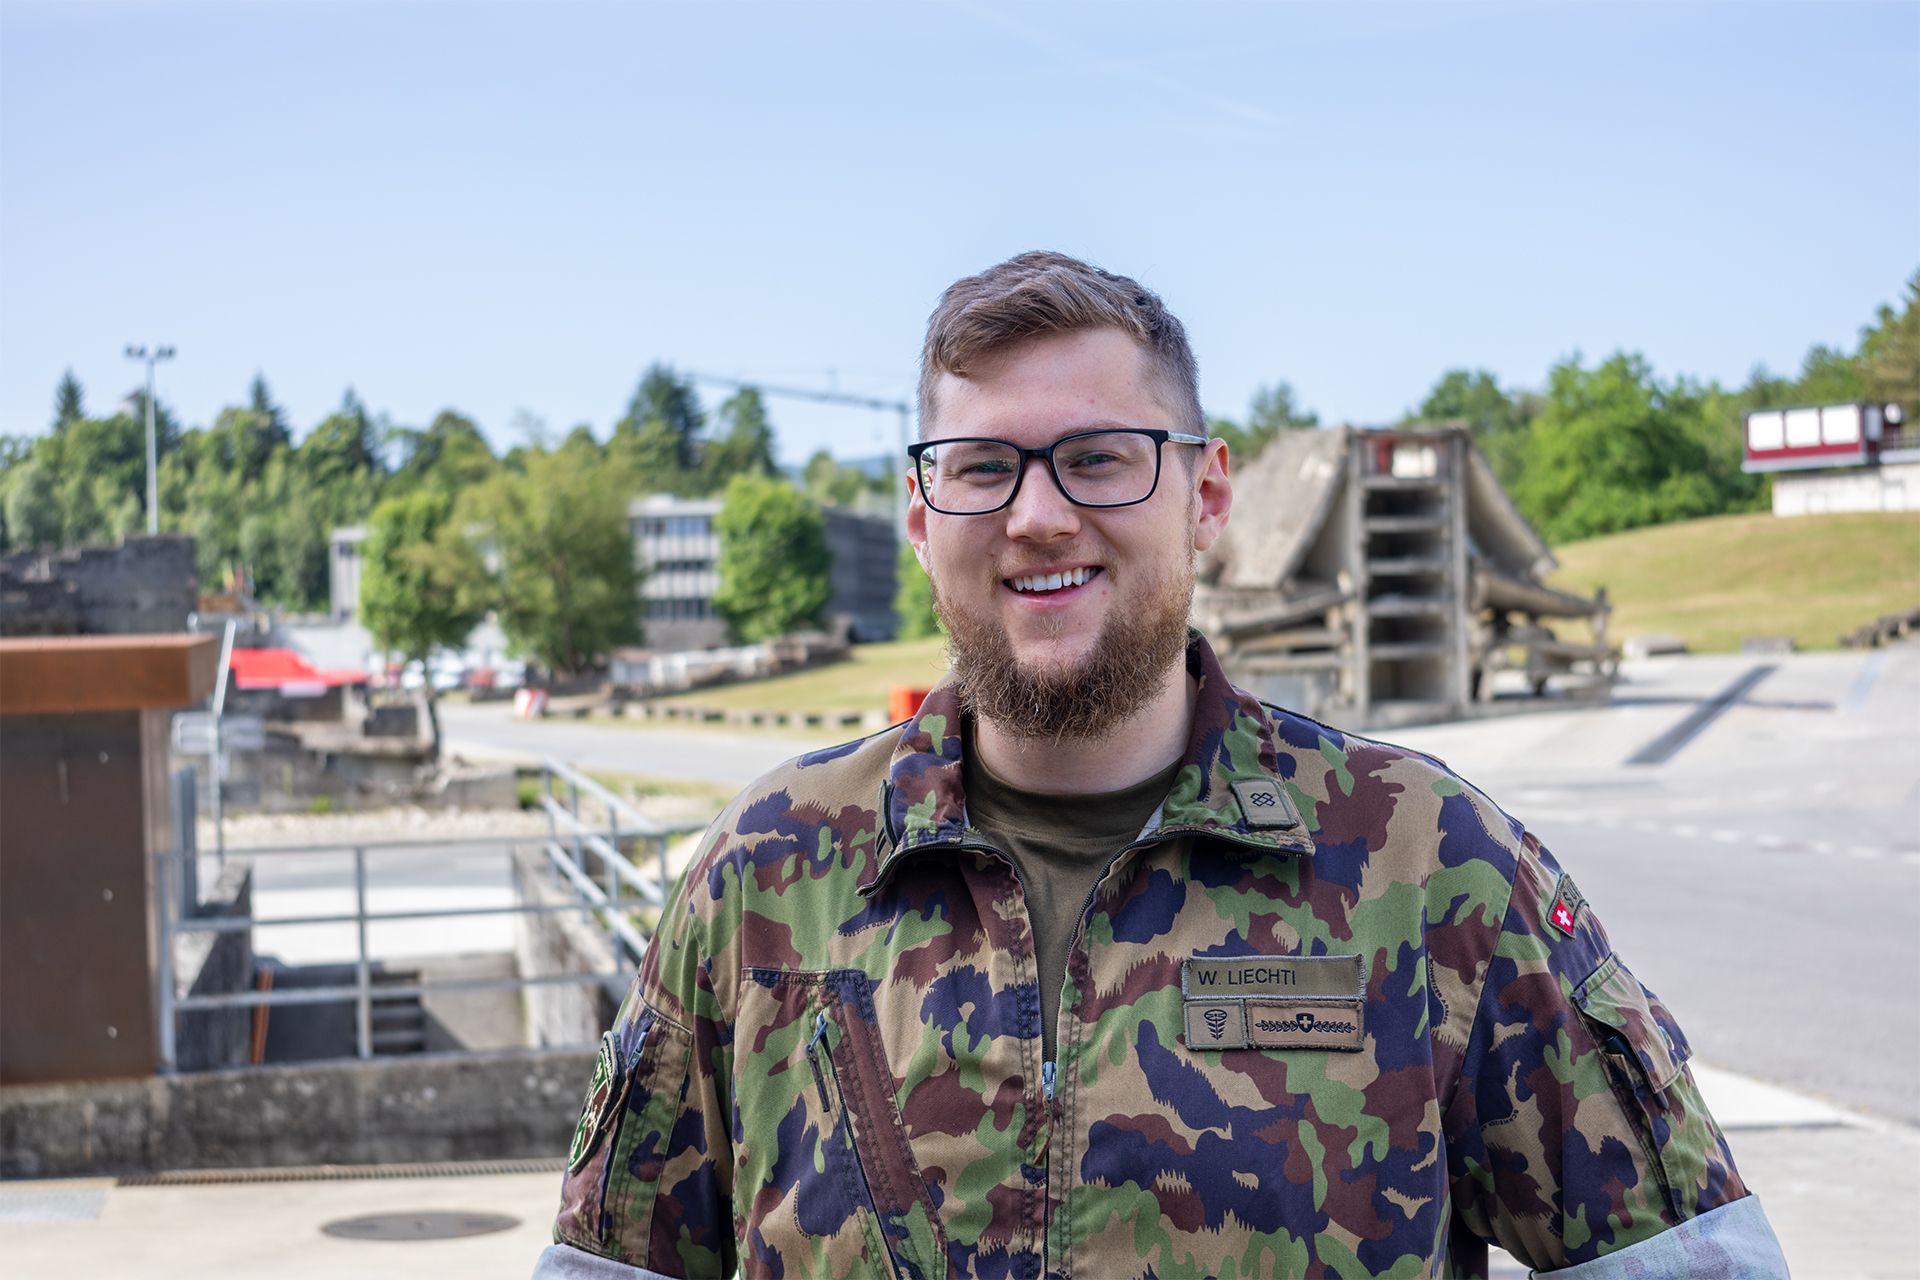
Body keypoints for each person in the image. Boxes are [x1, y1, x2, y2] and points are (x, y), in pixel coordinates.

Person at [535, 252, 1787, 1279]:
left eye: (1100, 455)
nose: (1037, 514)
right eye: (982, 467)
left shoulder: (1431, 864)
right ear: (921, 520)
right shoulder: (767, 873)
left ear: (1207, 489)